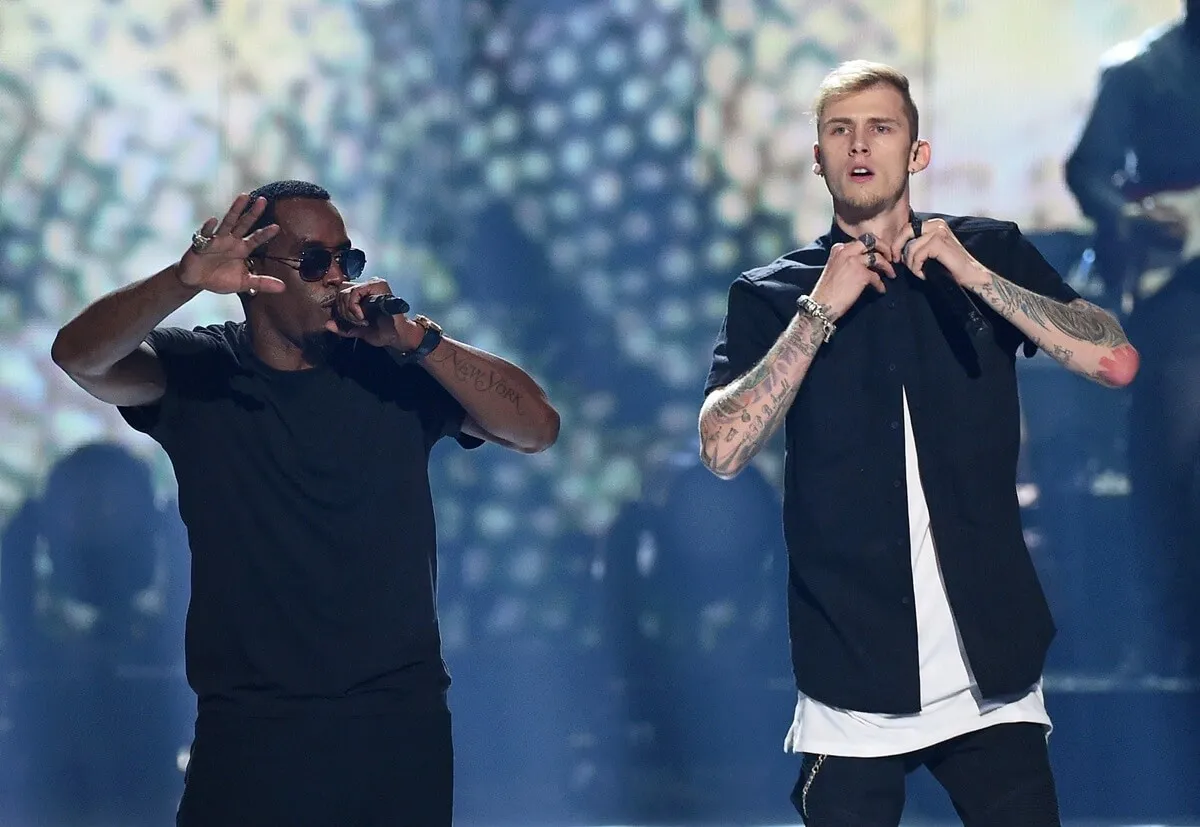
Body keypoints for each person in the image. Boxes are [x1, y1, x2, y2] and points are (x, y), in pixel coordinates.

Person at [699, 61, 1139, 826]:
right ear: (817, 156)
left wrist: (975, 276)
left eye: (881, 128)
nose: (859, 144)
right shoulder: (771, 292)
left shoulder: (985, 249)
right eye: (840, 130)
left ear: (917, 153)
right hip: (852, 672)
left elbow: (1114, 360)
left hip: (989, 669)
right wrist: (817, 314)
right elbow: (722, 449)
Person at [50, 180, 561, 827]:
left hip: (393, 726)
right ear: (253, 275)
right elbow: (78, 355)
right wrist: (182, 279)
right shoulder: (202, 371)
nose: (336, 280)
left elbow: (537, 427)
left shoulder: (393, 371)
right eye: (314, 262)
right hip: (251, 729)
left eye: (346, 261)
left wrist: (421, 343)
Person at [1066, 0, 1200, 677]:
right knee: (1172, 461)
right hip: (1177, 296)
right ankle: (1171, 632)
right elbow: (1086, 169)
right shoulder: (1140, 70)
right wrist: (1132, 218)